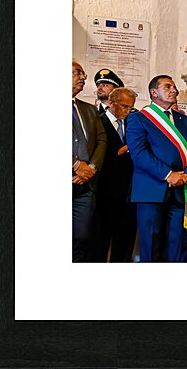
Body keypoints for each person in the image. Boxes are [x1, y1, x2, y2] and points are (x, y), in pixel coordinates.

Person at [127, 74, 187, 262]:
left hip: (182, 190)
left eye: (174, 87)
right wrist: (168, 174)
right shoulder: (138, 118)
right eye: (168, 87)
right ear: (154, 92)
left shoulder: (184, 120)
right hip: (151, 190)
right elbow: (139, 153)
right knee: (152, 245)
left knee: (177, 245)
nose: (174, 90)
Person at [96, 86, 138, 262]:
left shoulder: (133, 124)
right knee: (100, 242)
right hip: (105, 192)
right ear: (111, 103)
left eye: (131, 107)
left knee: (125, 243)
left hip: (129, 193)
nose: (127, 111)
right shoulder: (98, 121)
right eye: (124, 106)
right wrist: (129, 148)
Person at [72, 61, 107, 262]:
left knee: (82, 238)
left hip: (85, 186)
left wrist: (91, 168)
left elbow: (102, 141)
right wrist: (75, 165)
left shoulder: (89, 110)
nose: (84, 77)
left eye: (83, 73)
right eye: (78, 72)